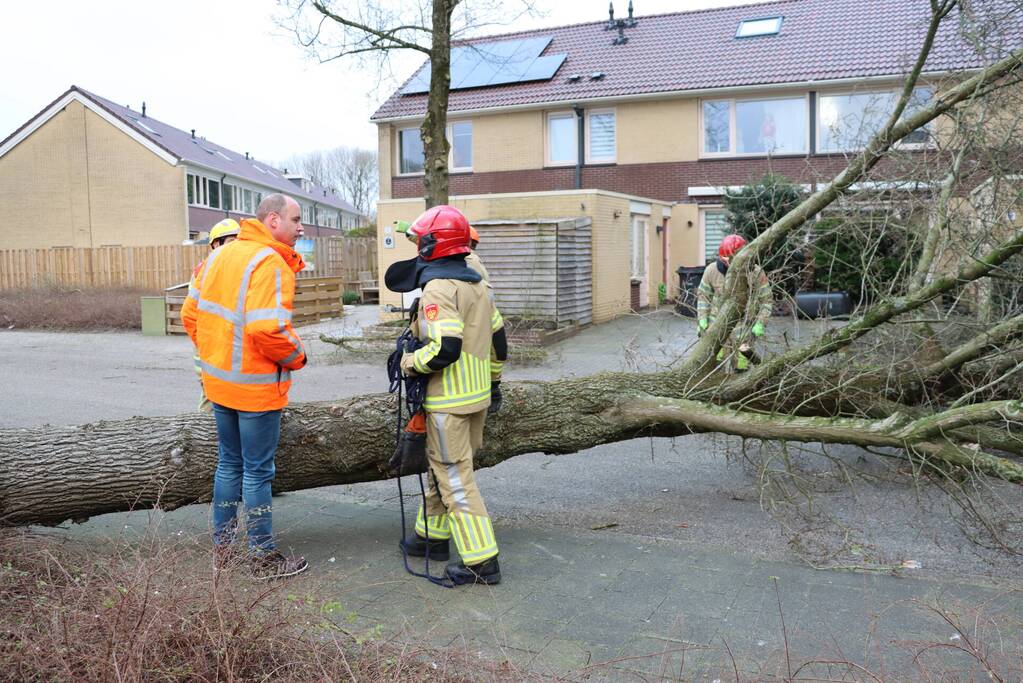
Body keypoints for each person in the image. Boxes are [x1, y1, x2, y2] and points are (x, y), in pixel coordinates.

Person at [181, 194, 309, 580]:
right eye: (296, 219)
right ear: (273, 220)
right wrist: (296, 356)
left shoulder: (220, 255)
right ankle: (262, 558)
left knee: (229, 465)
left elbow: (191, 315)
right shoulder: (269, 262)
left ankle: (222, 552)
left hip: (218, 385)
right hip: (255, 391)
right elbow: (267, 329)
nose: (301, 227)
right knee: (257, 472)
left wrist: (217, 356)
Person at [385, 205, 505, 585]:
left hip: (448, 402)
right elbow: (498, 343)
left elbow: (444, 349)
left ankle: (481, 560)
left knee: (454, 477)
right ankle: (431, 537)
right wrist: (494, 383)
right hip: (475, 398)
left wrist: (408, 362)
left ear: (432, 246)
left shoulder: (439, 288)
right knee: (443, 469)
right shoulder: (478, 285)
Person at [696, 234, 772, 372]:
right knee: (714, 365)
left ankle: (740, 385)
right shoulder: (712, 270)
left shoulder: (756, 272)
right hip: (716, 326)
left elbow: (766, 300)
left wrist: (761, 323)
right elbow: (703, 296)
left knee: (742, 366)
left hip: (743, 328)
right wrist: (702, 320)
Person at [191, 219, 241, 412]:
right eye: (231, 241)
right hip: (210, 348)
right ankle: (202, 436)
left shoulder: (234, 268)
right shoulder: (206, 271)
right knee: (212, 399)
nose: (236, 246)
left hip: (227, 347)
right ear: (215, 244)